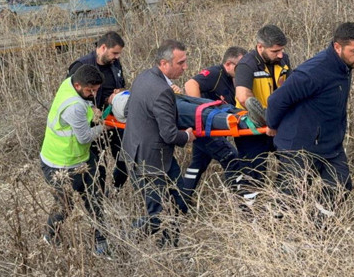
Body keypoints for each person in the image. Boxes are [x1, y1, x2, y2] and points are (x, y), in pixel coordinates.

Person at [267, 22, 354, 210]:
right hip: (299, 145)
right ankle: (274, 226)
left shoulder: (344, 66)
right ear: (337, 47)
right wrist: (272, 126)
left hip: (330, 144)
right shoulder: (313, 72)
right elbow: (276, 100)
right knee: (291, 199)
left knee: (340, 186)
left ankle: (318, 225)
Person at [122, 39, 195, 246]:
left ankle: (169, 244)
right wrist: (187, 136)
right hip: (149, 160)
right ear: (164, 64)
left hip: (150, 153)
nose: (185, 67)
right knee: (157, 216)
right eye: (180, 63)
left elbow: (127, 111)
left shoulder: (144, 77)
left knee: (180, 200)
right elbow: (170, 135)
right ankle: (124, 244)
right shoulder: (162, 90)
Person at [39, 64, 110, 255]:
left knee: (95, 200)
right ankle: (50, 236)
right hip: (61, 164)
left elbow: (85, 106)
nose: (94, 94)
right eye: (90, 91)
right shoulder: (74, 107)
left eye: (96, 90)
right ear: (78, 86)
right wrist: (104, 127)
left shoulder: (69, 83)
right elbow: (85, 137)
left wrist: (92, 108)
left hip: (82, 159)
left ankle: (101, 240)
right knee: (64, 205)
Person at [179, 46, 247, 202]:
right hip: (206, 128)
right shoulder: (216, 73)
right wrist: (200, 112)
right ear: (228, 64)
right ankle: (243, 204)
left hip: (215, 129)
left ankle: (180, 202)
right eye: (240, 67)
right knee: (231, 158)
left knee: (198, 164)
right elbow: (190, 84)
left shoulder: (236, 80)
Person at [233, 25, 290, 197]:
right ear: (260, 47)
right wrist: (266, 117)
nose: (280, 55)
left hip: (278, 124)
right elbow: (243, 96)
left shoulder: (283, 60)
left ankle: (280, 203)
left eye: (281, 50)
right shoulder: (246, 65)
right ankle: (249, 209)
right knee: (254, 175)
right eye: (275, 51)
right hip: (252, 128)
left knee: (291, 165)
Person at [68, 31, 128, 191]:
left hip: (114, 120)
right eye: (114, 53)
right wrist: (91, 108)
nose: (117, 57)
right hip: (91, 126)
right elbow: (70, 95)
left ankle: (115, 190)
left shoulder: (115, 64)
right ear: (103, 47)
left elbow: (122, 84)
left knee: (126, 160)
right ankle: (100, 198)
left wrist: (118, 93)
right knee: (98, 168)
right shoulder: (81, 66)